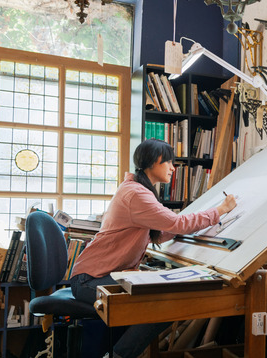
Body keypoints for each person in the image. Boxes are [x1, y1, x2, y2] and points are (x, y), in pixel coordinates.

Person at [69, 138, 237, 358]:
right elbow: (176, 223)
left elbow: (159, 232)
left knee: (159, 303)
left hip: (98, 275)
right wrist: (220, 210)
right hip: (89, 280)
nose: (173, 168)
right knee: (159, 305)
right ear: (156, 160)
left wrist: (191, 228)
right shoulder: (136, 194)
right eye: (169, 162)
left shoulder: (138, 189)